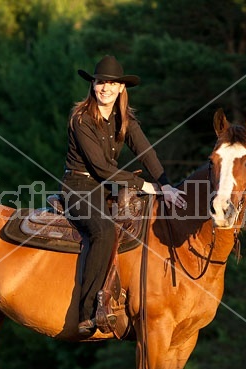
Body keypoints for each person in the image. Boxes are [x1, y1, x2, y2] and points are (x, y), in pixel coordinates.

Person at [61, 55, 186, 335]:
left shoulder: (124, 119)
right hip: (79, 187)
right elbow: (102, 169)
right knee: (104, 232)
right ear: (92, 85)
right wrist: (146, 187)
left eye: (110, 83)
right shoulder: (81, 119)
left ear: (120, 89)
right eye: (99, 82)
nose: (104, 87)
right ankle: (89, 311)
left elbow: (146, 153)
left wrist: (165, 184)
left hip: (107, 189)